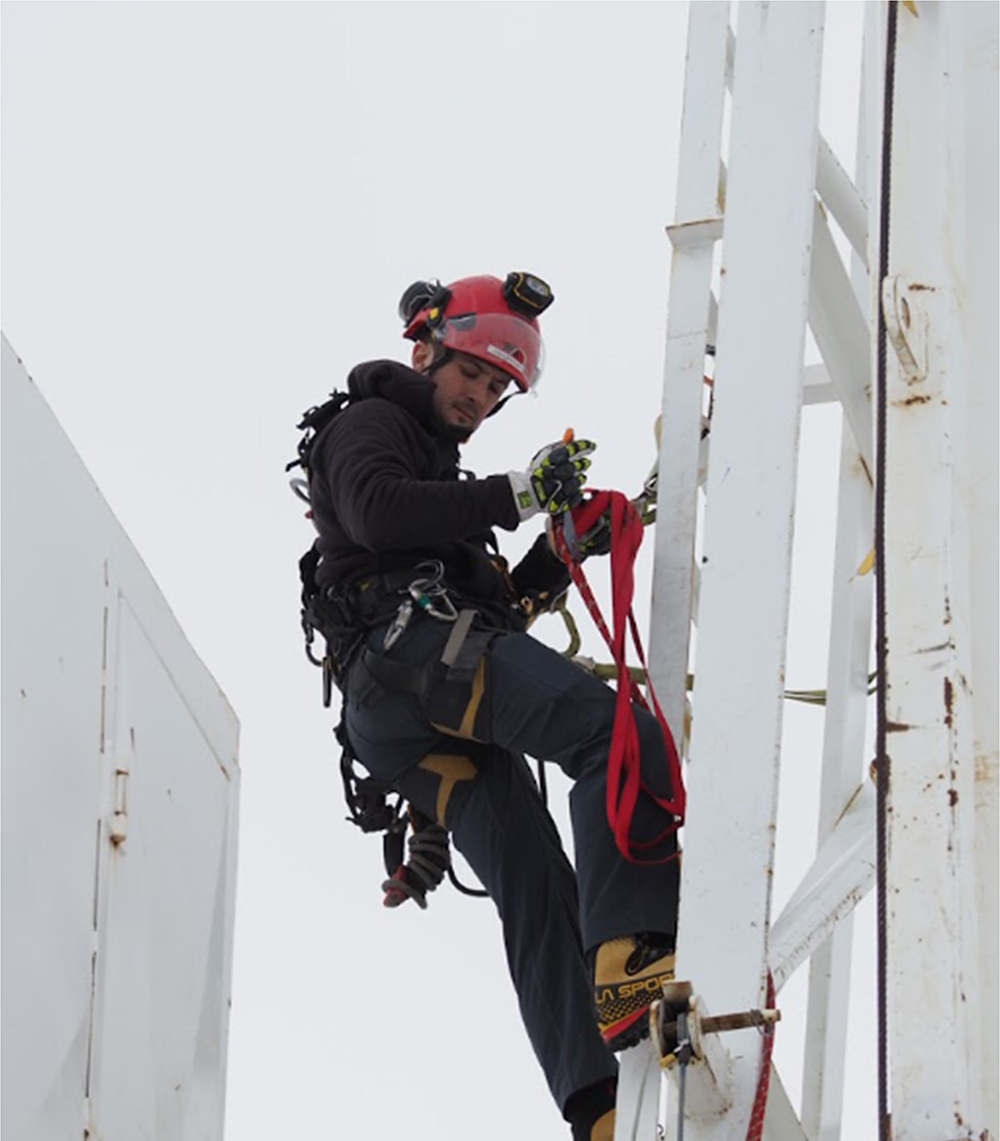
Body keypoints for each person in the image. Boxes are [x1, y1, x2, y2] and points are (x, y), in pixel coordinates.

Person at [298, 272, 681, 1141]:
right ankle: (632, 955)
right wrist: (521, 492)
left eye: (498, 385)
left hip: (405, 699)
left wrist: (560, 546)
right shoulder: (372, 424)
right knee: (614, 732)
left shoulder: (441, 481)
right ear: (426, 347)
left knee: (535, 881)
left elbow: (490, 596)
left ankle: (597, 1107)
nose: (480, 395)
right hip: (414, 654)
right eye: (470, 371)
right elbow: (377, 511)